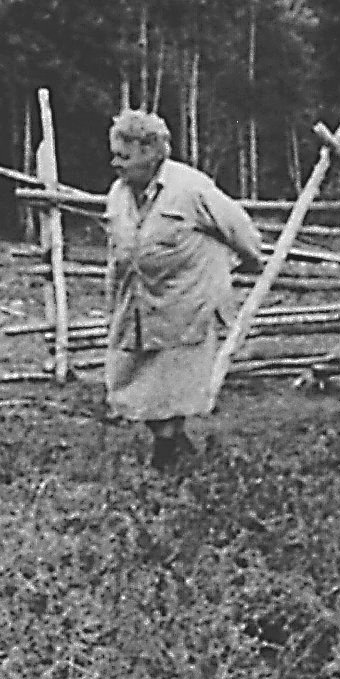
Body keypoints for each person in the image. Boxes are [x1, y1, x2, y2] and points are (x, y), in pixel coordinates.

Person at [103, 108, 265, 470]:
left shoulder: (191, 188)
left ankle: (169, 451)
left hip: (187, 300)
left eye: (123, 156)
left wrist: (244, 263)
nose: (116, 164)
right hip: (139, 301)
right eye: (115, 155)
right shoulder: (118, 194)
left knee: (173, 378)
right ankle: (175, 445)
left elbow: (240, 229)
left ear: (150, 152)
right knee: (133, 374)